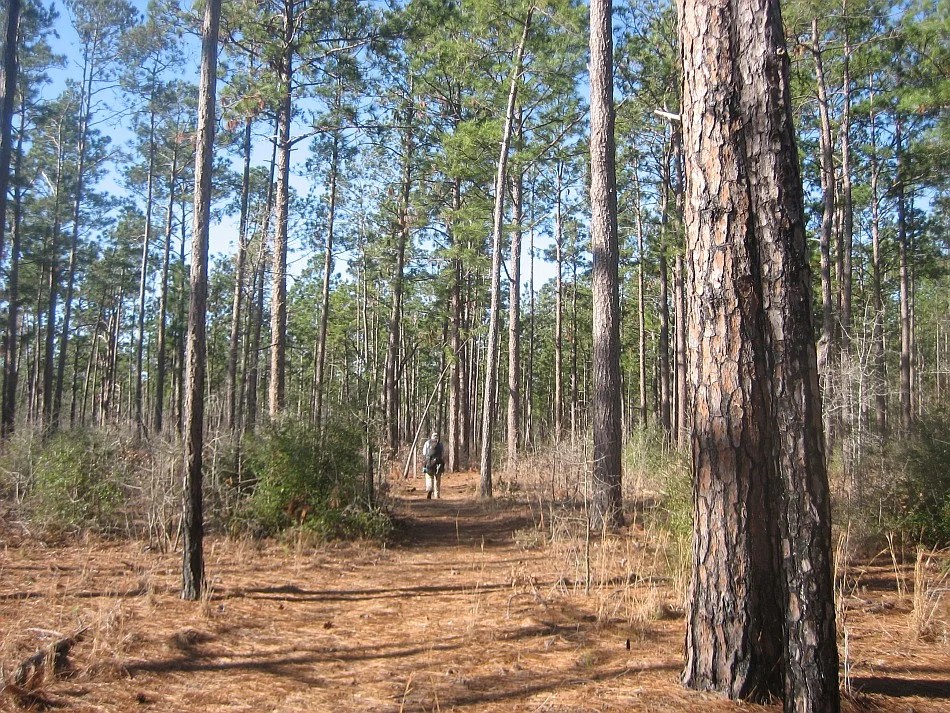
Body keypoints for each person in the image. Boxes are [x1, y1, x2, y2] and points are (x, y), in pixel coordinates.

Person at [421, 432, 445, 499]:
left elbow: (424, 453)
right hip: (438, 463)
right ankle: (437, 495)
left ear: (432, 437)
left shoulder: (427, 443)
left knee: (429, 477)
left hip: (429, 463)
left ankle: (429, 490)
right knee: (437, 480)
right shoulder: (440, 444)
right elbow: (443, 454)